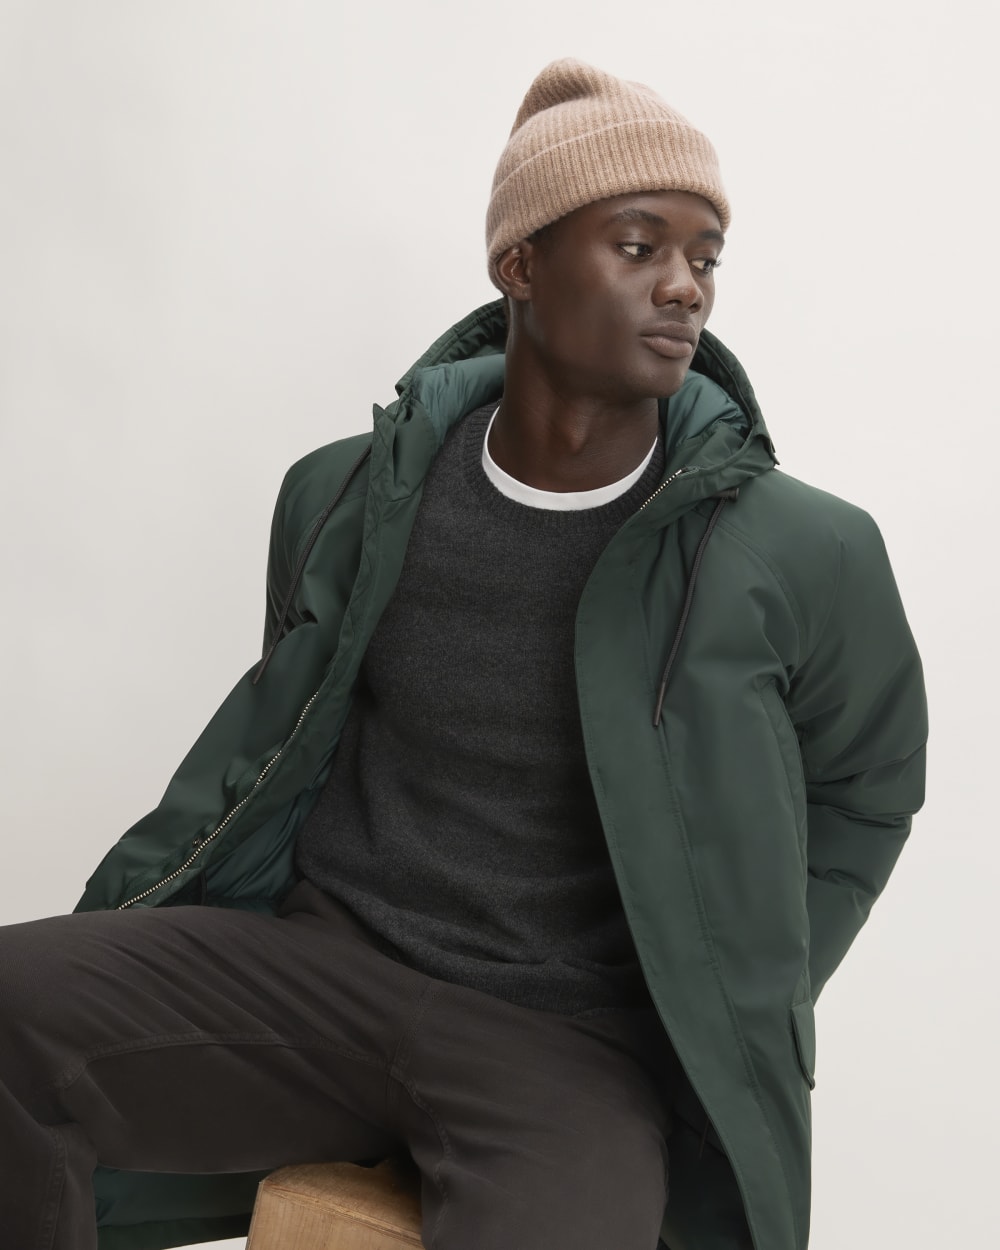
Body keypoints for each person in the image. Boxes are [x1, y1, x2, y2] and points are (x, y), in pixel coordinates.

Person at [0, 59, 926, 1250]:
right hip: (321, 973)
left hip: (569, 1044)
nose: (683, 287)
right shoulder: (345, 495)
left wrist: (734, 984)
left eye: (705, 257)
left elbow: (868, 786)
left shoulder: (798, 548)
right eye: (638, 246)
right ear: (519, 266)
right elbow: (294, 741)